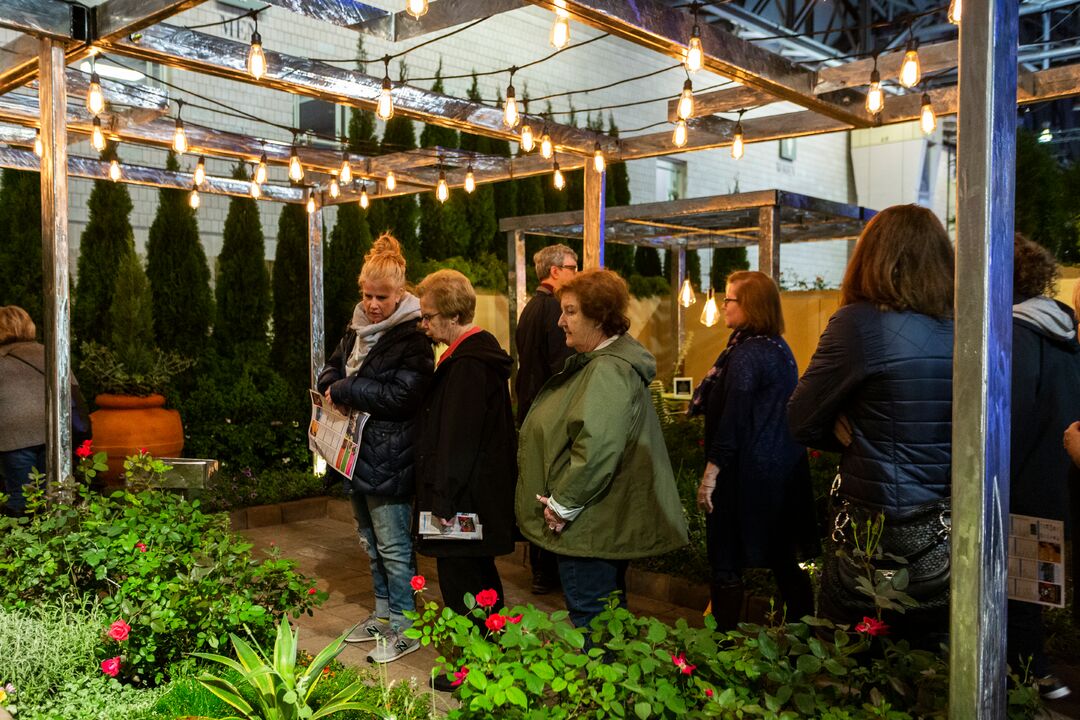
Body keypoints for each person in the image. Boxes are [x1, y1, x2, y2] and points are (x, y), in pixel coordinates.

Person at [787, 204, 954, 643]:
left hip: (875, 533)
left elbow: (799, 420)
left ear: (872, 256)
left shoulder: (859, 323)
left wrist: (843, 427)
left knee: (853, 665)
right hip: (952, 534)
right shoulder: (967, 324)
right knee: (930, 674)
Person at [516, 269, 688, 628]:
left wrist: (562, 505)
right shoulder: (606, 363)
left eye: (571, 311)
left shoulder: (607, 370)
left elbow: (597, 447)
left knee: (591, 618)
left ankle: (599, 684)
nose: (561, 321)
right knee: (608, 616)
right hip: (598, 520)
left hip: (589, 526)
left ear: (599, 317)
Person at [316, 235, 434, 664]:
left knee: (394, 547)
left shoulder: (414, 336)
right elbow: (333, 363)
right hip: (355, 453)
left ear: (400, 293)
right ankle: (382, 613)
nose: (372, 305)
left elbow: (405, 394)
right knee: (369, 540)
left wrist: (347, 387)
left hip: (390, 455)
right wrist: (331, 381)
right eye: (367, 295)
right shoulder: (356, 326)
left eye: (381, 297)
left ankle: (406, 623)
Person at [691, 271, 818, 630]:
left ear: (750, 305)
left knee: (725, 560)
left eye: (730, 299)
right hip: (778, 473)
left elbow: (733, 420)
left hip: (743, 478)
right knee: (783, 560)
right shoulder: (777, 348)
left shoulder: (747, 355)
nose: (724, 306)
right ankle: (802, 642)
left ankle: (722, 645)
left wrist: (710, 476)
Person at [413, 270, 517, 620]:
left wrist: (442, 499)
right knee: (478, 582)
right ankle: (485, 663)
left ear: (454, 315)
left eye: (428, 317)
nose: (423, 325)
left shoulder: (468, 367)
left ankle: (471, 669)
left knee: (464, 588)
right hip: (470, 498)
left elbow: (458, 441)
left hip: (461, 503)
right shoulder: (469, 359)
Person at [1006, 235, 1080, 701]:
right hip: (1057, 485)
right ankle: (1038, 676)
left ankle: (1033, 680)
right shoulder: (1063, 333)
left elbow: (1007, 421)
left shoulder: (1015, 334)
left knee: (1018, 597)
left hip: (1019, 491)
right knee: (1033, 593)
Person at [515, 243, 578, 595]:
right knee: (552, 491)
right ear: (555, 271)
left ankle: (540, 571)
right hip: (551, 414)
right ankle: (549, 572)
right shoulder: (556, 308)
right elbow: (560, 367)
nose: (576, 272)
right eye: (572, 266)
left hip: (530, 411)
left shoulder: (529, 308)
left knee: (537, 486)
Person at [0, 306, 88, 516]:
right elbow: (73, 390)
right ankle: (52, 538)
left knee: (23, 496)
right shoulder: (50, 352)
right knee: (55, 492)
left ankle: (21, 543)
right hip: (54, 433)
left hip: (15, 438)